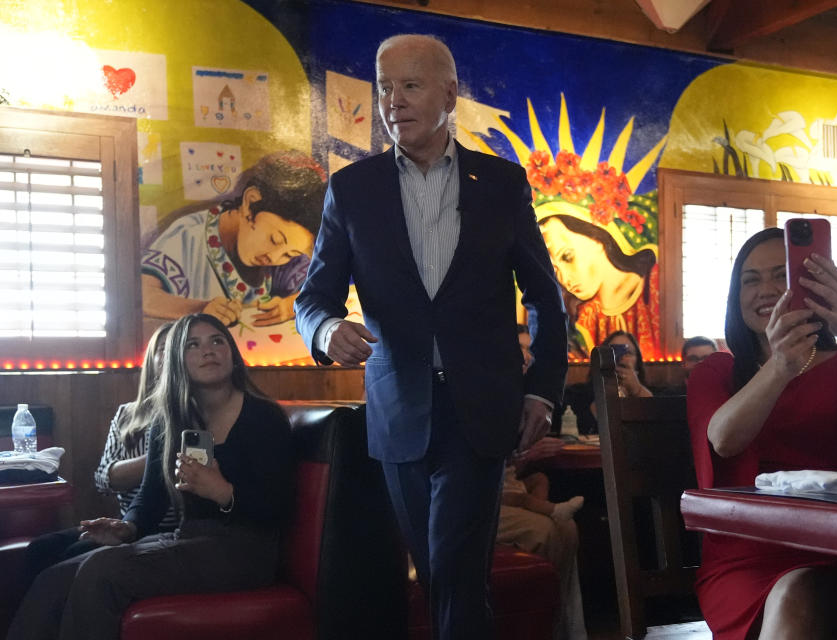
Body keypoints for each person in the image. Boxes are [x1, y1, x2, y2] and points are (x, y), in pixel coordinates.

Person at [293, 34, 568, 640]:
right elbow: (312, 299)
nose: (393, 100)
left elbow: (546, 296)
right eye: (385, 86)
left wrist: (543, 391)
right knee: (446, 571)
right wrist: (327, 329)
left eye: (410, 85)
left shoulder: (501, 183)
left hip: (482, 408)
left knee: (454, 564)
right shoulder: (353, 189)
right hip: (399, 409)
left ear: (449, 94)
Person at [7, 313, 295, 640]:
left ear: (232, 353)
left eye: (217, 341)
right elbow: (151, 499)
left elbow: (278, 506)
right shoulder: (170, 419)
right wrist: (127, 528)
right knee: (56, 578)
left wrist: (223, 492)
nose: (209, 351)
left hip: (247, 550)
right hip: (189, 537)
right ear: (177, 360)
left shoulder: (263, 416)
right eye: (193, 345)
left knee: (100, 573)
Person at [686, 227, 837, 639]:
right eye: (751, 280)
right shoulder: (716, 371)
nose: (766, 289)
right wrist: (781, 365)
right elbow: (724, 438)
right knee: (798, 593)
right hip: (748, 555)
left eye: (780, 275)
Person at [23, 323, 179, 580]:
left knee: (71, 557)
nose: (171, 355)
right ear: (153, 359)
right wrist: (158, 458)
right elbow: (105, 479)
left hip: (167, 528)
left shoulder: (195, 413)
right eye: (164, 349)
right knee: (39, 549)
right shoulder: (128, 413)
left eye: (179, 348)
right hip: (128, 520)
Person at [141, 150, 327, 327]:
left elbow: (324, 288)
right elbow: (143, 295)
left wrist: (290, 305)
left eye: (289, 254)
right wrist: (200, 309)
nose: (275, 257)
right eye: (275, 240)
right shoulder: (187, 236)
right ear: (251, 202)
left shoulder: (287, 257)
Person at [538, 209, 660, 359]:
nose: (564, 278)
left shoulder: (653, 284)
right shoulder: (582, 319)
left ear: (596, 239)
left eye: (567, 256)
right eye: (554, 269)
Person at [498, 438, 587, 640]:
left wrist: (523, 455)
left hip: (503, 489)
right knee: (544, 531)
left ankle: (560, 627)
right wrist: (526, 454)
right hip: (475, 501)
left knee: (566, 527)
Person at [601, 330, 653, 398]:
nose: (622, 357)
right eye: (614, 351)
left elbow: (653, 406)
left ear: (637, 361)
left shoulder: (652, 390)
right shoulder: (588, 391)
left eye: (628, 353)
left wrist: (637, 389)